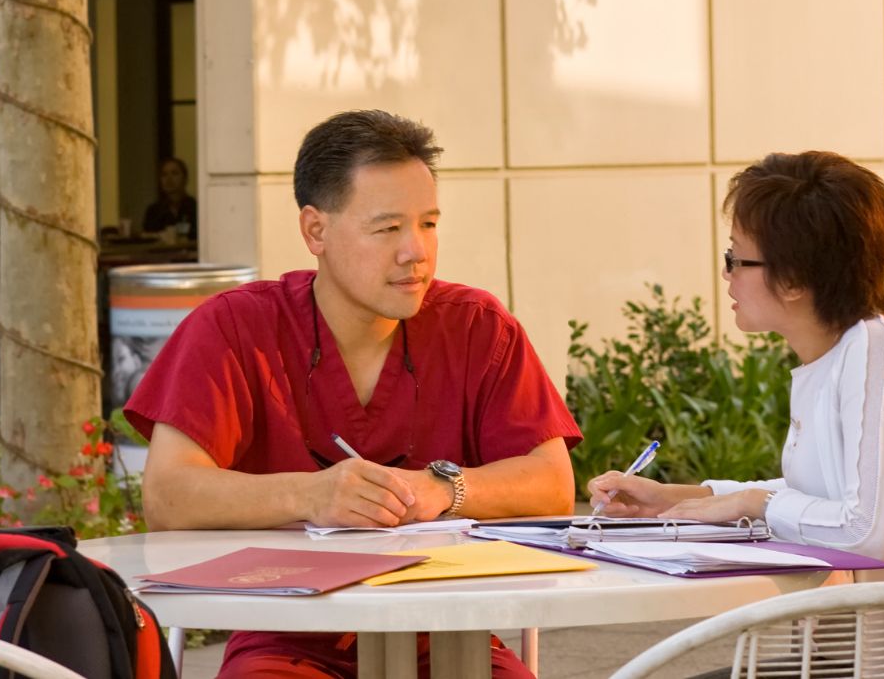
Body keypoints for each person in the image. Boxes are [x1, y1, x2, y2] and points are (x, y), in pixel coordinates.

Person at [125, 109, 580, 679]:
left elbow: (553, 483)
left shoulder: (476, 326)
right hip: (285, 633)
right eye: (388, 228)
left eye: (429, 224)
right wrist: (312, 495)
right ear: (315, 230)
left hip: (448, 636)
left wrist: (444, 486)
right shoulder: (235, 328)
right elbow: (168, 495)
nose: (415, 251)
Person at [588, 151, 884, 678]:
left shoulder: (878, 346)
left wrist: (754, 502)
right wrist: (681, 499)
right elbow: (829, 495)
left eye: (738, 259)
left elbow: (865, 530)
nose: (726, 274)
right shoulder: (831, 358)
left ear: (797, 279)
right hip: (845, 660)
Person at [141, 156, 198, 240]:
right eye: (164, 175)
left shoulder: (195, 208)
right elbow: (147, 238)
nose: (169, 179)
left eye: (174, 173)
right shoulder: (153, 211)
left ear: (185, 178)